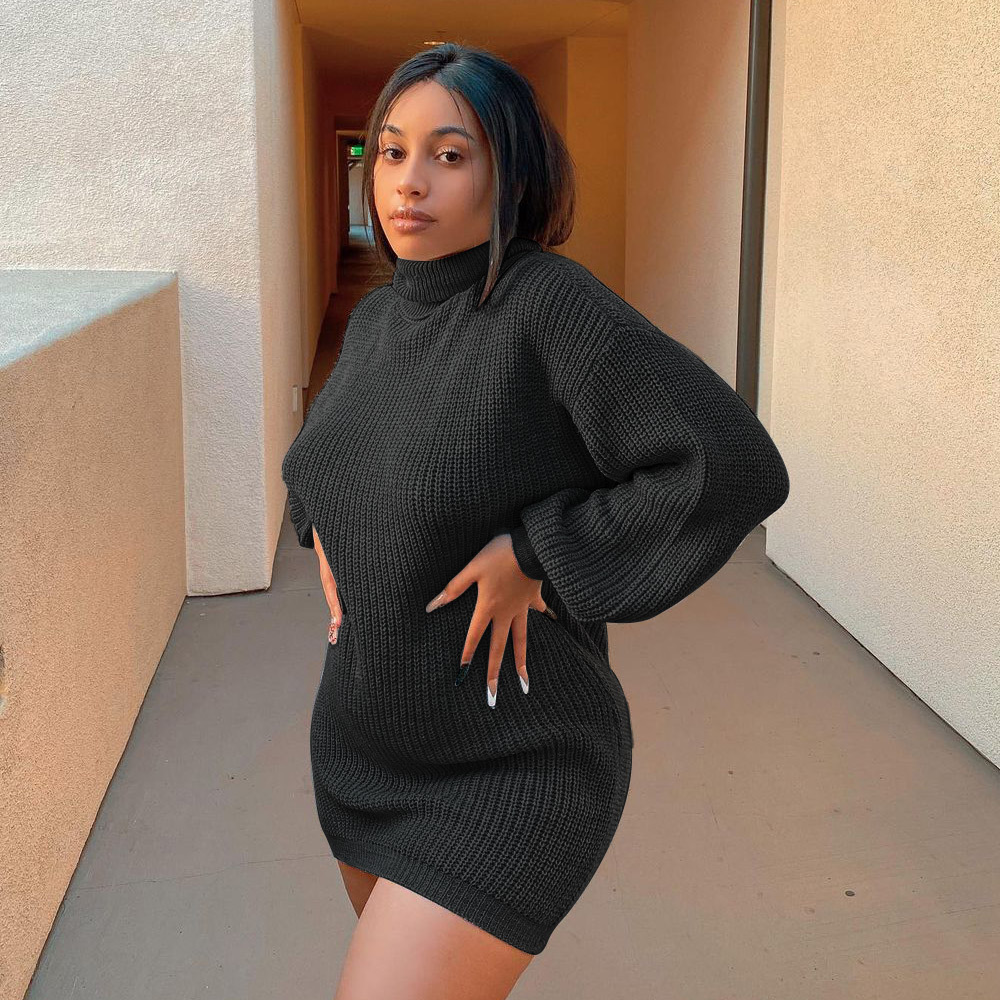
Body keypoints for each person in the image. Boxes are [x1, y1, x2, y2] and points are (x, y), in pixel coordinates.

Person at [281, 41, 790, 1000]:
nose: (409, 181)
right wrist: (324, 525)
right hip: (362, 748)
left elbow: (726, 461)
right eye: (391, 151)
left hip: (510, 760)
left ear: (510, 175)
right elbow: (323, 451)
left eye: (450, 154)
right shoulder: (382, 318)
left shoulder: (545, 305)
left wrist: (541, 552)